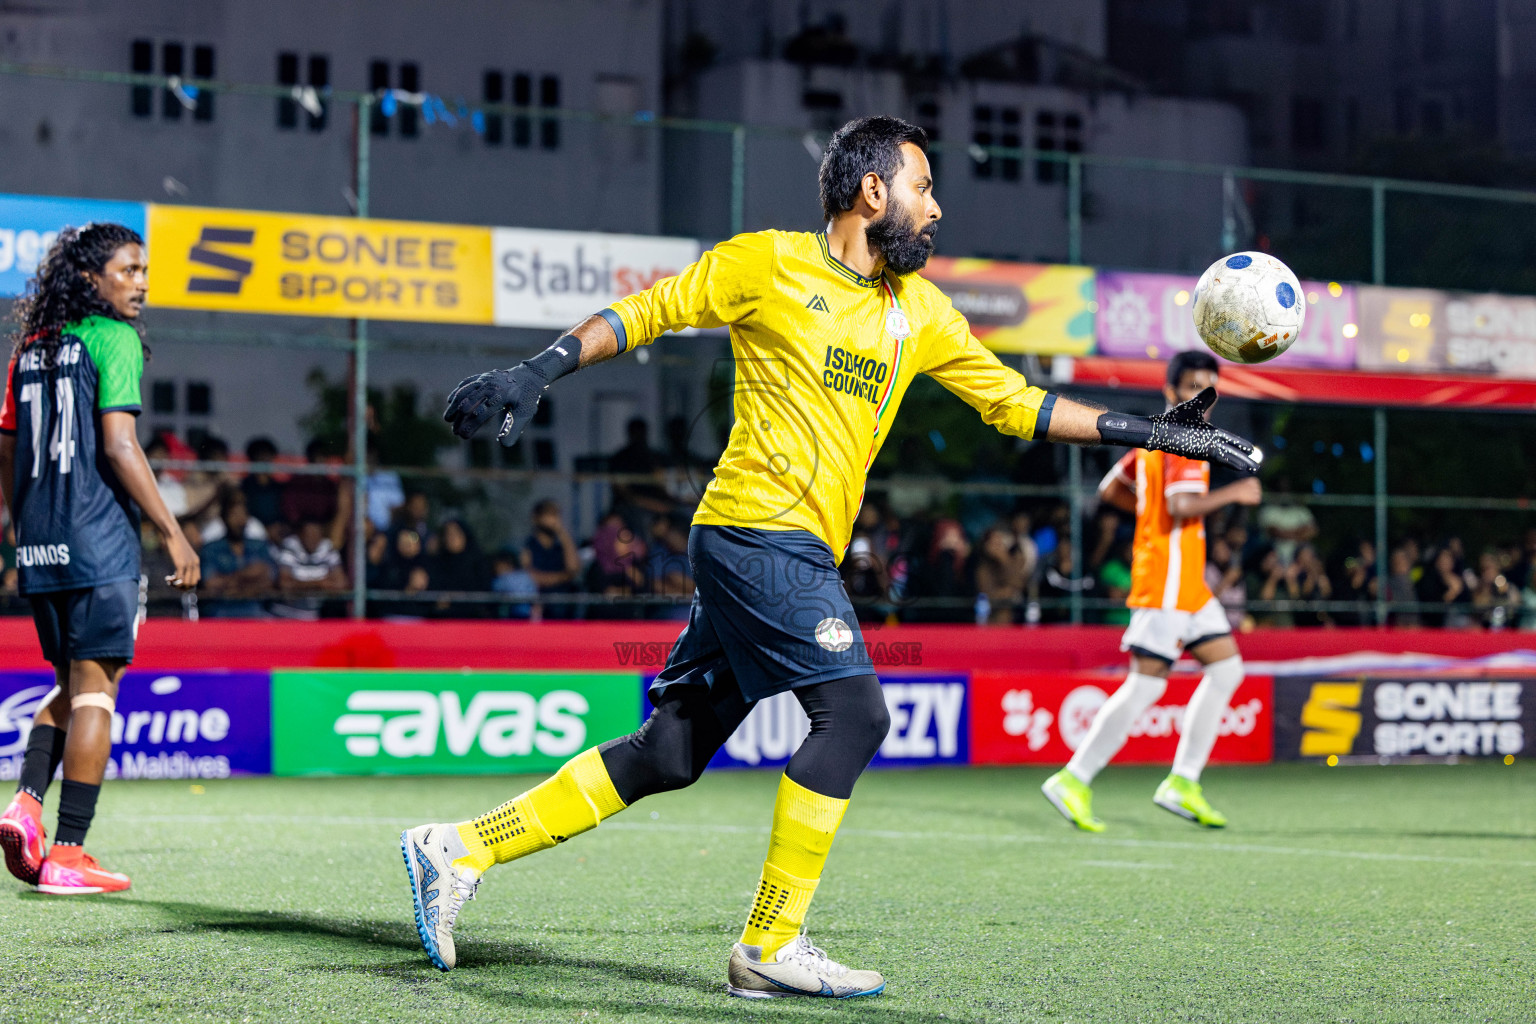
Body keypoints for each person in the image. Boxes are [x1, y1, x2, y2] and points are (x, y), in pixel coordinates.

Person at [407, 115, 1259, 995]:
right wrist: (536, 370)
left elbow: (1016, 403)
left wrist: (1151, 432)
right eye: (924, 188)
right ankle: (769, 947)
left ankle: (456, 849)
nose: (938, 208)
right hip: (756, 533)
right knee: (854, 717)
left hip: (780, 548)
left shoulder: (919, 312)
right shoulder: (766, 263)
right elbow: (647, 311)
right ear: (873, 191)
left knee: (669, 752)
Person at [0, 223, 199, 894]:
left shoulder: (28, 347)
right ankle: (70, 851)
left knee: (70, 684)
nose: (141, 282)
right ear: (91, 278)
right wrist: (172, 530)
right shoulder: (112, 339)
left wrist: (19, 527)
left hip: (40, 542)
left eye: (144, 270)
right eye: (129, 269)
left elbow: (6, 450)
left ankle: (24, 807)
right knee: (96, 694)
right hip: (98, 540)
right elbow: (120, 445)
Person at [1042, 350, 1261, 833]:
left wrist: (1150, 510)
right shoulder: (1187, 442)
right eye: (1190, 389)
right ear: (1171, 392)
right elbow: (1182, 506)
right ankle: (1073, 779)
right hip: (1167, 578)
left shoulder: (1153, 438)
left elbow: (1110, 490)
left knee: (1226, 670)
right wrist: (1235, 493)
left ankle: (1182, 782)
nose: (1201, 400)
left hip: (1189, 585)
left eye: (1208, 389)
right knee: (1146, 684)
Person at [199, 496, 276, 618]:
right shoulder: (211, 549)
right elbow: (211, 583)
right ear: (224, 519)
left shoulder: (259, 546)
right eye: (234, 515)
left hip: (255, 609)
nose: (239, 521)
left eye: (243, 515)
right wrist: (246, 575)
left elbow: (269, 580)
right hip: (221, 611)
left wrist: (233, 585)